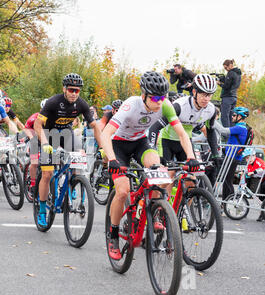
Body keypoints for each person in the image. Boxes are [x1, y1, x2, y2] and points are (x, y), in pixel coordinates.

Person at [99, 71, 197, 261]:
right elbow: (105, 134)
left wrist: (191, 157)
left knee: (159, 174)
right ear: (143, 95)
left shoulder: (166, 105)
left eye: (163, 96)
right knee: (122, 191)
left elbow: (182, 134)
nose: (160, 101)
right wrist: (112, 160)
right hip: (118, 144)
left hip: (140, 142)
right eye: (156, 97)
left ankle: (154, 211)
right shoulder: (130, 105)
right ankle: (113, 235)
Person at [33, 73, 103, 227]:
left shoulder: (82, 105)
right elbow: (37, 125)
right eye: (71, 90)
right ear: (64, 89)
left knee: (78, 159)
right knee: (47, 174)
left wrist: (103, 147)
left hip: (67, 134)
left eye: (77, 91)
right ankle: (43, 211)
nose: (73, 93)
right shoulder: (53, 102)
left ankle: (72, 182)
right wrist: (44, 143)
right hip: (48, 134)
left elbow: (95, 126)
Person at [148, 74, 221, 193]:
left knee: (191, 181)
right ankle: (160, 204)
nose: (206, 99)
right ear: (194, 92)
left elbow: (210, 131)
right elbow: (154, 128)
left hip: (186, 143)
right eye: (203, 94)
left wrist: (215, 154)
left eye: (209, 95)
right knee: (168, 176)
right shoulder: (180, 106)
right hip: (167, 142)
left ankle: (184, 210)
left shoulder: (211, 110)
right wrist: (153, 151)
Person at [212, 106, 250, 202]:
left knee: (227, 181)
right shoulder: (240, 127)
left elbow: (223, 131)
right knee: (226, 180)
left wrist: (212, 120)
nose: (232, 117)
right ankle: (227, 203)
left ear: (240, 117)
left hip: (232, 157)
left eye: (234, 115)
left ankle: (229, 203)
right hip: (231, 156)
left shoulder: (240, 128)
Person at [219, 59, 242, 127]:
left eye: (226, 67)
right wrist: (224, 79)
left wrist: (219, 83)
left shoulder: (231, 73)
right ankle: (231, 134)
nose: (226, 69)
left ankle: (226, 134)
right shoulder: (238, 73)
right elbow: (231, 83)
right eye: (224, 68)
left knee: (224, 116)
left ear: (231, 65)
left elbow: (226, 86)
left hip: (227, 97)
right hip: (234, 97)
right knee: (231, 117)